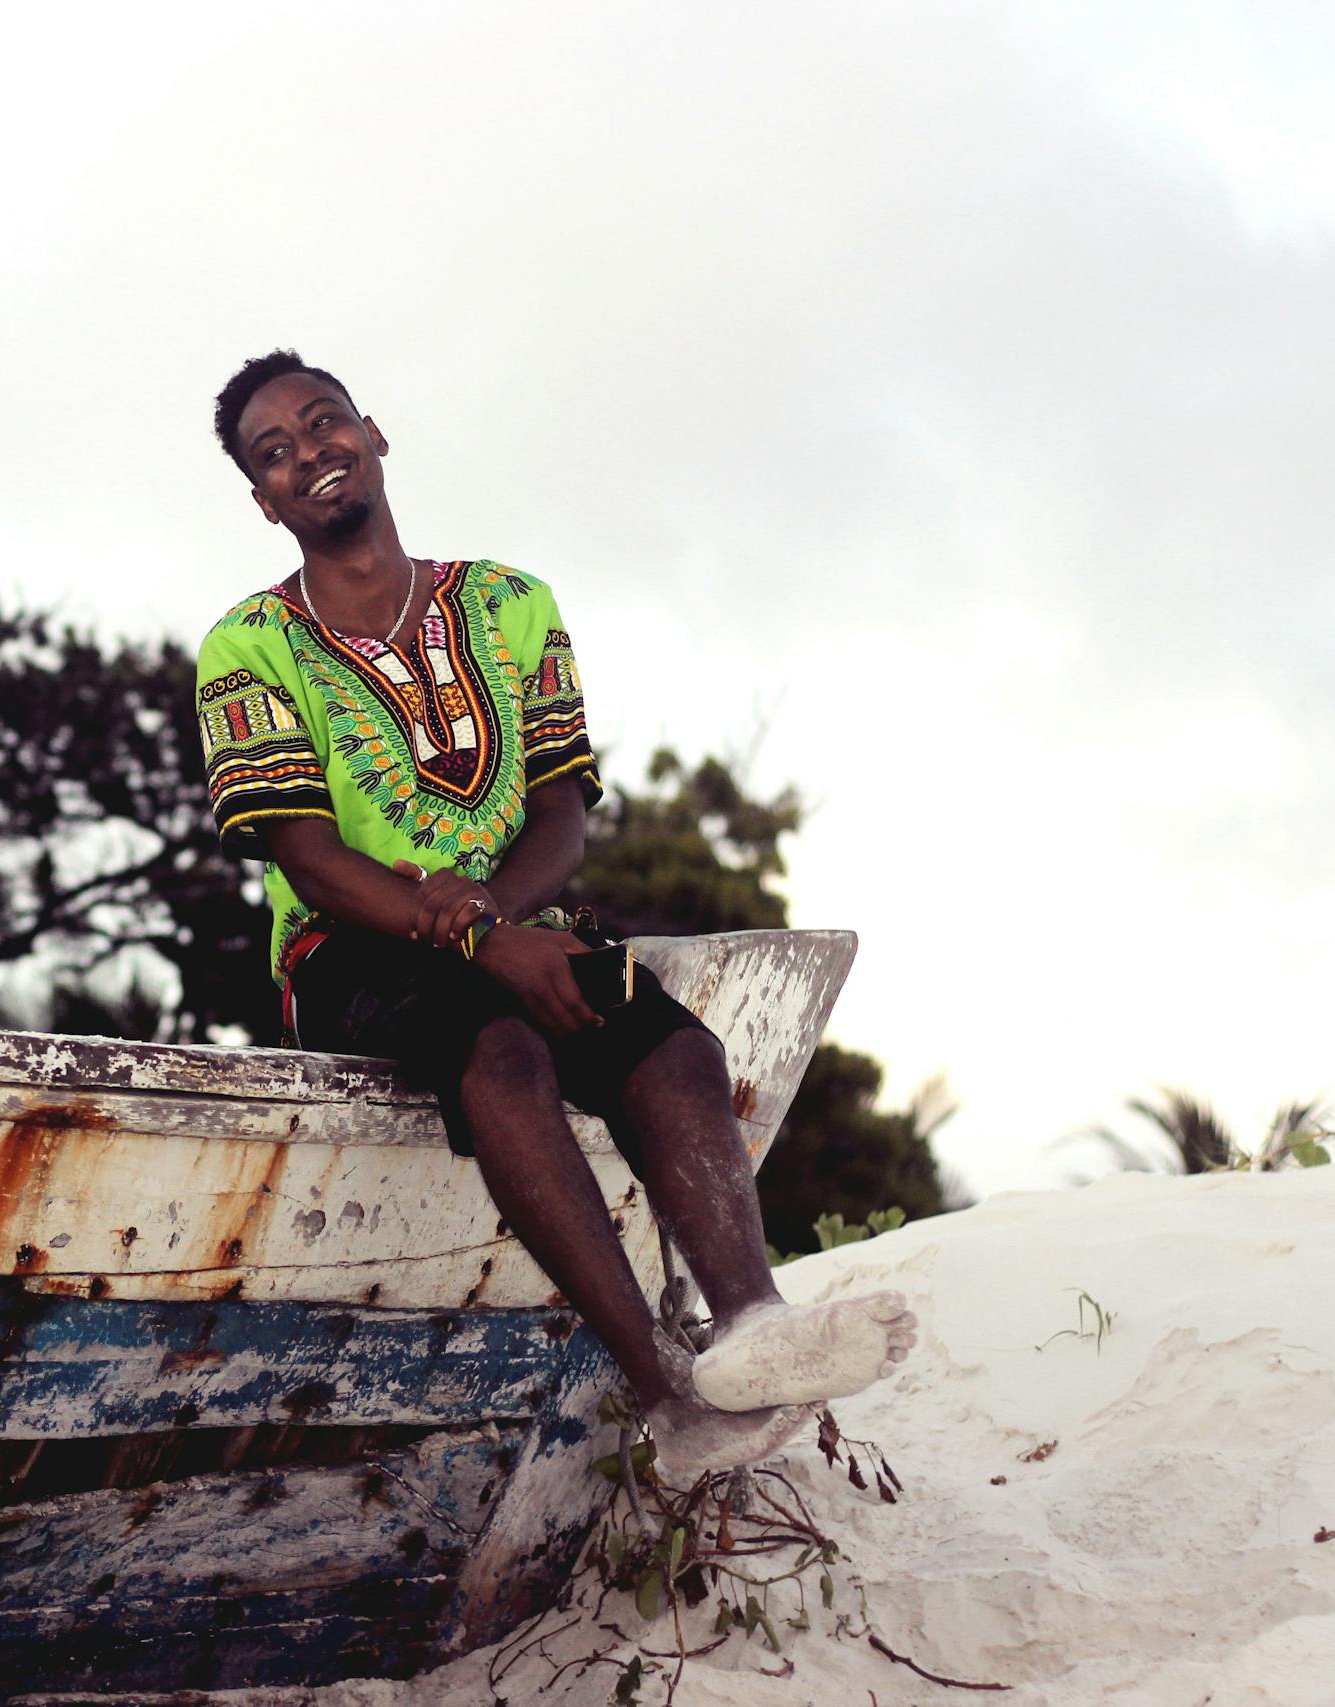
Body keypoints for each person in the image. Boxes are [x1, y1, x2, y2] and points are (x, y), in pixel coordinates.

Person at [192, 351, 917, 1475]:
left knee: (667, 1047)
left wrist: (499, 919)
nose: (308, 454)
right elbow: (308, 856)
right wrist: (479, 941)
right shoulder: (246, 648)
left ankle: (753, 1327)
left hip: (521, 921)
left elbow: (561, 812)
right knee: (504, 1051)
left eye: (322, 423)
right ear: (262, 500)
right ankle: (667, 1395)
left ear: (374, 434)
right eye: (273, 453)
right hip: (353, 950)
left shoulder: (509, 604)